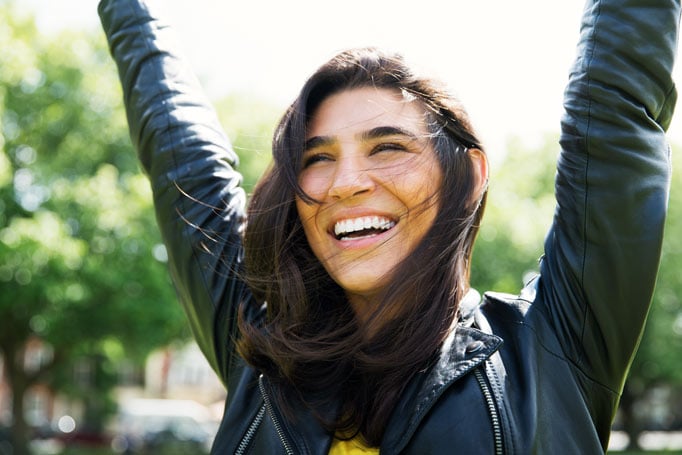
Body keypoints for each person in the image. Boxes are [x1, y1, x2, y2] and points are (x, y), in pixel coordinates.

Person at [98, 0, 680, 453]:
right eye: (317, 157)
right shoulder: (258, 352)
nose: (346, 181)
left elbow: (615, 110)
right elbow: (175, 140)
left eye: (388, 148)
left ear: (471, 174)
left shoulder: (554, 350)